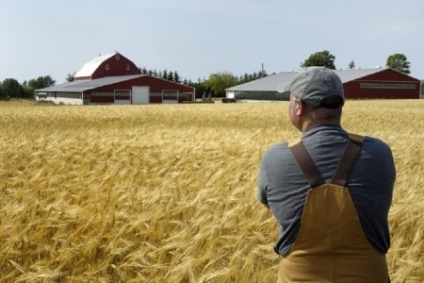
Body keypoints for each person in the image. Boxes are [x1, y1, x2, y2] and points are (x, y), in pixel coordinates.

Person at [257, 67, 396, 282]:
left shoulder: (275, 158)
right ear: (340, 104)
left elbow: (269, 203)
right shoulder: (380, 152)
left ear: (299, 106)